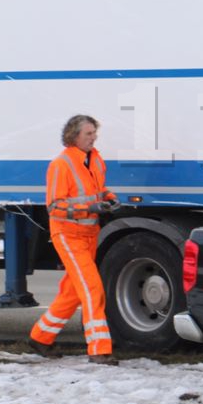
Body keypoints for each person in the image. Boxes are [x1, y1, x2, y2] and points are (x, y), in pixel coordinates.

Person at [28, 115, 120, 365]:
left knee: (72, 292)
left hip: (89, 234)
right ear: (74, 136)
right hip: (68, 235)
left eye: (94, 132)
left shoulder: (96, 159)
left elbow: (97, 190)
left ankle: (40, 337)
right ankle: (99, 349)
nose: (93, 137)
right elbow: (54, 207)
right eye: (88, 133)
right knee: (92, 288)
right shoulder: (61, 164)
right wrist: (93, 208)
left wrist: (109, 198)